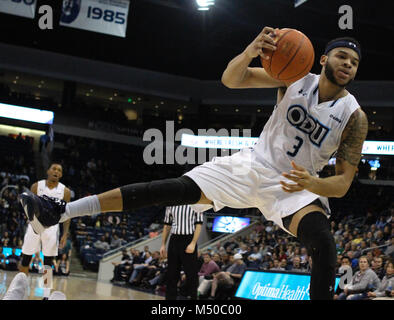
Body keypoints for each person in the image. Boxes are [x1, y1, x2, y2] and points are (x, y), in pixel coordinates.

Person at [19, 28, 367, 300]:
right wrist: (250, 51)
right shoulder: (293, 77)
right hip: (252, 166)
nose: (347, 64)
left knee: (323, 244)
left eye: (353, 61)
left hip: (295, 186)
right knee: (168, 190)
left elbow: (342, 184)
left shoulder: (354, 117)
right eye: (341, 56)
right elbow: (232, 79)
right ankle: (59, 212)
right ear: (322, 59)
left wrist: (311, 183)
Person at [19, 163, 71, 275]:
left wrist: (65, 233)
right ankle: (21, 285)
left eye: (59, 170)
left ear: (61, 175)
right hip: (35, 224)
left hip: (52, 227)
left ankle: (46, 291)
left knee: (48, 262)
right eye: (54, 169)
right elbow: (28, 206)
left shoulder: (65, 191)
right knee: (26, 258)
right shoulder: (36, 186)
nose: (56, 171)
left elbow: (67, 214)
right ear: (48, 171)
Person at [160, 205, 203, 300]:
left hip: (189, 238)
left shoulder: (197, 204)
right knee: (171, 274)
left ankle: (193, 298)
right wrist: (163, 244)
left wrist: (193, 243)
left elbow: (199, 224)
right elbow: (167, 225)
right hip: (174, 239)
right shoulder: (170, 204)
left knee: (191, 274)